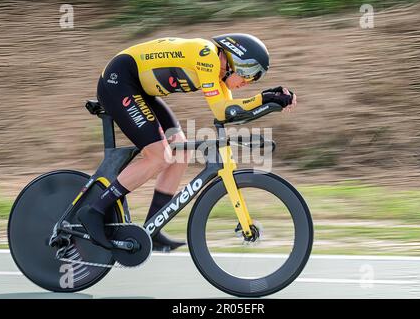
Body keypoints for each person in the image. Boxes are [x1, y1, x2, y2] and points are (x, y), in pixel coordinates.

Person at [77, 33, 297, 251]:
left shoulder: (219, 74)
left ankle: (153, 226)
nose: (247, 83)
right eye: (249, 75)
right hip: (119, 81)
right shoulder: (207, 56)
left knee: (180, 151)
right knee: (158, 156)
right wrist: (265, 98)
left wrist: (269, 99)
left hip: (139, 90)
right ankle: (94, 211)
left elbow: (231, 113)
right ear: (236, 61)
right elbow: (223, 111)